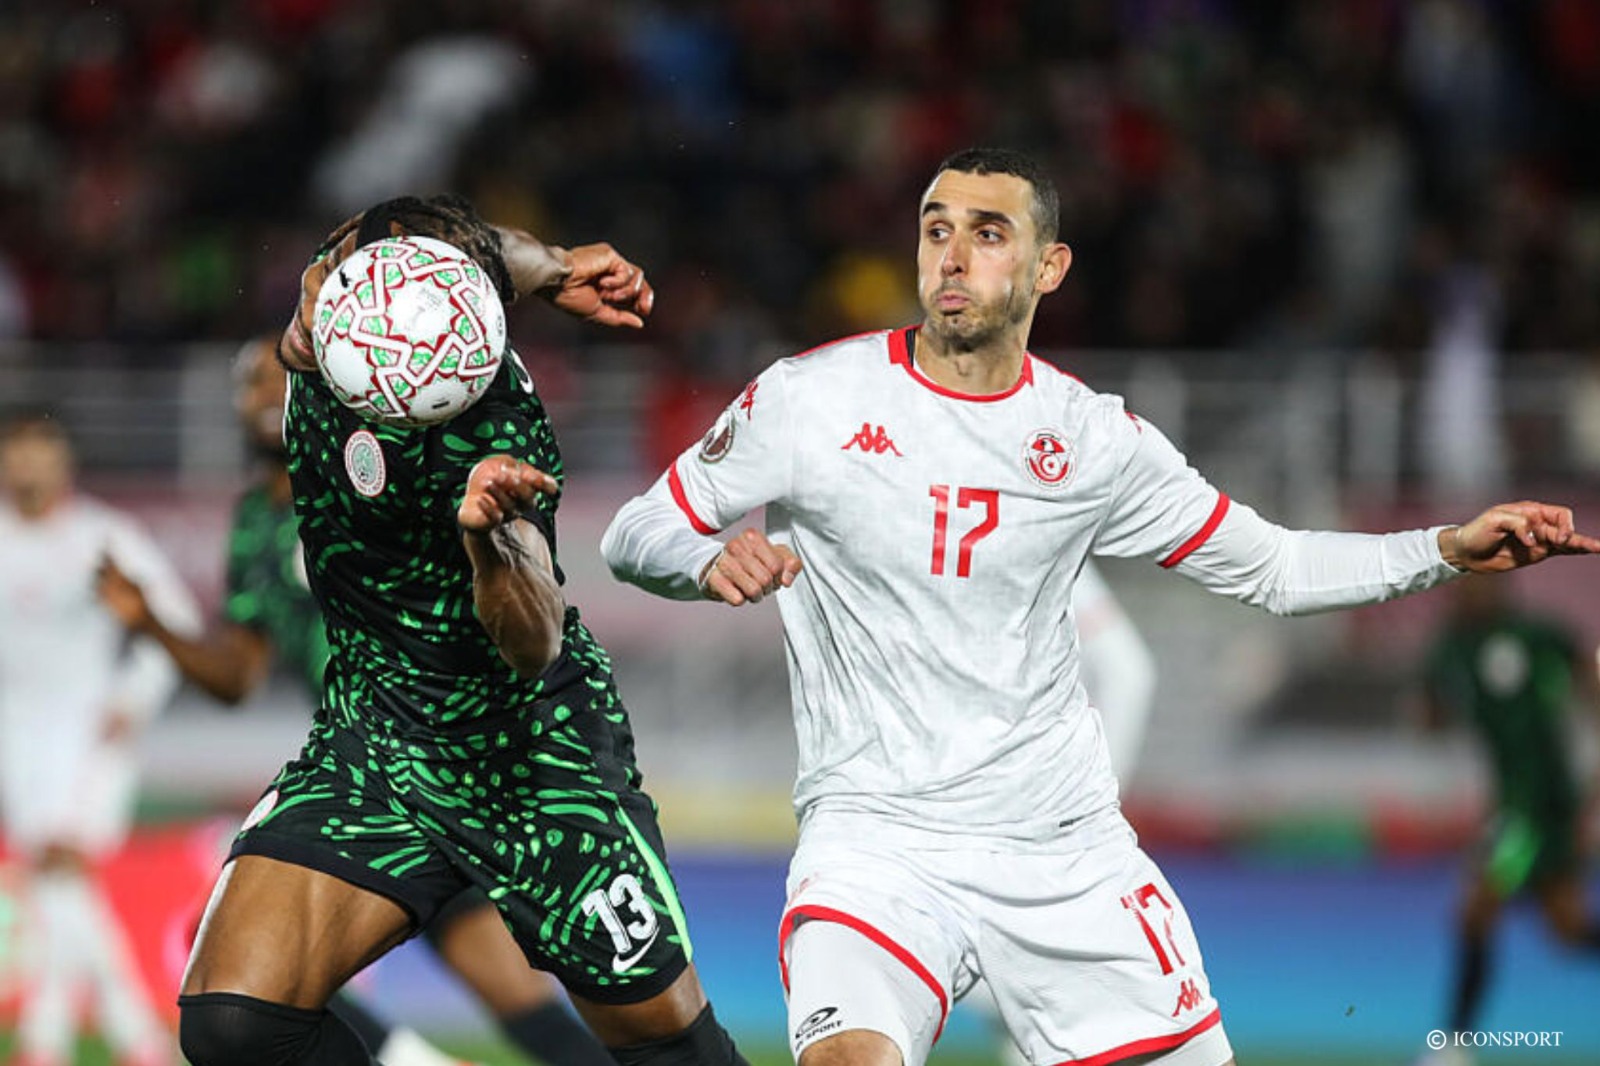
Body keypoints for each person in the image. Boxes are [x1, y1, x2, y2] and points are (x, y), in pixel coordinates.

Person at [599, 147, 1600, 1066]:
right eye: (935, 227)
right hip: (875, 843)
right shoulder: (808, 400)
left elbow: (1273, 568)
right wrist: (702, 560)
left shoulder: (1092, 438)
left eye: (988, 233)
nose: (952, 256)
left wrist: (1444, 551)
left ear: (1048, 267)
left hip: (1063, 857)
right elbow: (632, 531)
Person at [171, 194, 750, 1066]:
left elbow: (534, 641)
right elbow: (486, 252)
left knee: (666, 1046)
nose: (330, 290)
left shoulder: (497, 433)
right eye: (350, 266)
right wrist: (554, 265)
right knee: (234, 1022)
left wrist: (488, 546)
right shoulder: (343, 285)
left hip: (528, 761)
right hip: (376, 743)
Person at [97, 337, 616, 1066]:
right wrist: (152, 623)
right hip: (371, 782)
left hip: (448, 759)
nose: (247, 401)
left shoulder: (360, 475)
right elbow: (238, 675)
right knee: (237, 967)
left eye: (261, 384)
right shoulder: (254, 521)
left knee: (551, 1003)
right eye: (244, 389)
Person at [0, 411, 201, 1066]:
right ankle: (96, 1036)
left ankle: (80, 1040)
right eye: (17, 452)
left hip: (88, 733)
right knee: (60, 885)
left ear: (65, 463)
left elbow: (176, 619)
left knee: (62, 866)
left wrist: (133, 698)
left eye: (41, 451)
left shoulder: (102, 537)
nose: (28, 465)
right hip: (17, 741)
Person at [1418, 575, 1600, 1060]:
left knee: (1476, 910)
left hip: (1538, 805)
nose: (1472, 591)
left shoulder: (1538, 635)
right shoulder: (1451, 647)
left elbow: (1588, 679)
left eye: (1484, 581)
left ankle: (1455, 1046)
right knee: (1570, 930)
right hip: (1516, 804)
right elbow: (1431, 716)